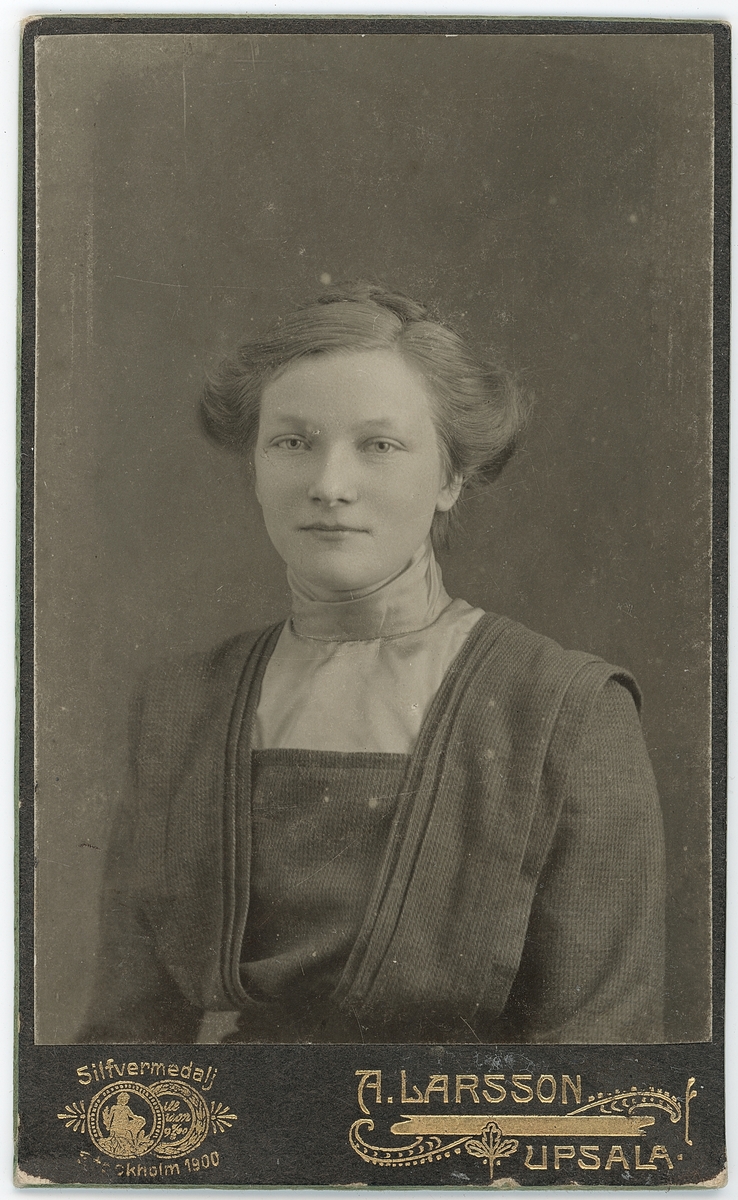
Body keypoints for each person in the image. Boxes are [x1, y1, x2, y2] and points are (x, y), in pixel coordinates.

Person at [80, 283, 665, 1045]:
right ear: (254, 464)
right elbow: (123, 1049)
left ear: (450, 478)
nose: (329, 486)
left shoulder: (565, 708)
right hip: (241, 1119)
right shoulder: (184, 701)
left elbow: (602, 1056)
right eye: (292, 443)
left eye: (379, 446)